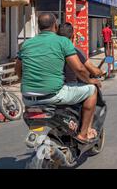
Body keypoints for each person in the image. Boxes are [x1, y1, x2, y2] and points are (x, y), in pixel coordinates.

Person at [15, 13, 101, 144]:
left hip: (28, 98)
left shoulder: (26, 44)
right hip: (53, 94)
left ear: (38, 27)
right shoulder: (63, 42)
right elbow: (79, 69)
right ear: (55, 26)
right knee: (92, 90)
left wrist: (27, 82)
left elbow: (18, 70)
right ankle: (84, 134)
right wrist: (90, 80)